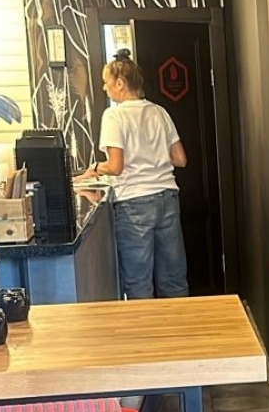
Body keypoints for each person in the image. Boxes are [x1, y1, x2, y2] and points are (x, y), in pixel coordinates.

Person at [76, 50, 189, 299]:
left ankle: (146, 326)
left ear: (120, 82)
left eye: (106, 82)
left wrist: (95, 169)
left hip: (134, 202)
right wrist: (152, 155)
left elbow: (115, 167)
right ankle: (179, 324)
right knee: (174, 279)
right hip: (167, 198)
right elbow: (180, 159)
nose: (104, 88)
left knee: (139, 283)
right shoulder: (159, 112)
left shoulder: (114, 115)